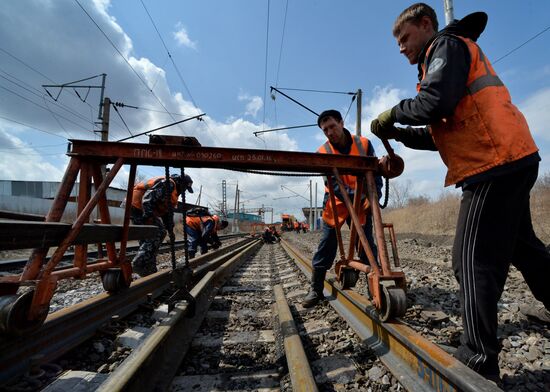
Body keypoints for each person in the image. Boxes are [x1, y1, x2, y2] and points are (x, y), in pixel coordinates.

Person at [371, 3, 550, 382]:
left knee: (470, 260)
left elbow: (434, 103)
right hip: (512, 156)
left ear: (425, 25)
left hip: (493, 163)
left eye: (404, 38)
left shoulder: (446, 47)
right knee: (526, 250)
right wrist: (399, 132)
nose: (401, 47)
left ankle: (478, 356)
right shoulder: (445, 59)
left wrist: (393, 113)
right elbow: (441, 132)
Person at [302, 109, 382, 308]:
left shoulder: (363, 144)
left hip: (362, 200)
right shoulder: (323, 152)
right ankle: (316, 289)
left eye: (332, 126)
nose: (329, 132)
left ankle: (376, 287)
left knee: (366, 244)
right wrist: (356, 199)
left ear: (341, 122)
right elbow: (335, 186)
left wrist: (373, 197)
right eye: (325, 130)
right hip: (336, 203)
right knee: (327, 243)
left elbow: (376, 173)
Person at [130, 173, 194, 276]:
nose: (183, 191)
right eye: (185, 188)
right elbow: (148, 198)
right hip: (137, 207)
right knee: (158, 232)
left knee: (149, 238)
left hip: (139, 208)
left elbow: (166, 213)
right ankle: (139, 263)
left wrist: (170, 231)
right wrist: (149, 217)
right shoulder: (169, 184)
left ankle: (148, 268)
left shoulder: (171, 191)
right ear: (180, 183)